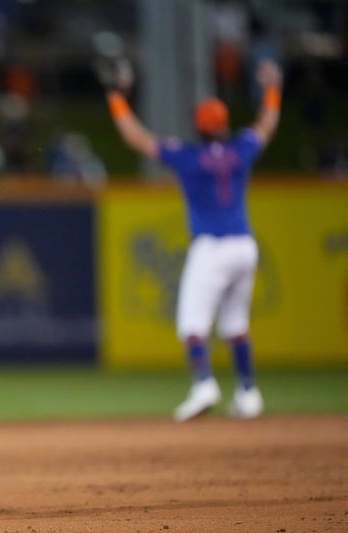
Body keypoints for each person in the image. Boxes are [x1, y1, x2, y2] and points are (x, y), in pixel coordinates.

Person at [102, 58, 282, 422]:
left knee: (191, 324)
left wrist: (116, 98)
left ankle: (204, 384)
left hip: (212, 246)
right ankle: (249, 393)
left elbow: (136, 138)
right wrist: (273, 90)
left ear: (199, 128)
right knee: (236, 324)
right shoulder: (239, 150)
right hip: (245, 246)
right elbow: (265, 126)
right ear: (224, 124)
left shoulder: (191, 157)